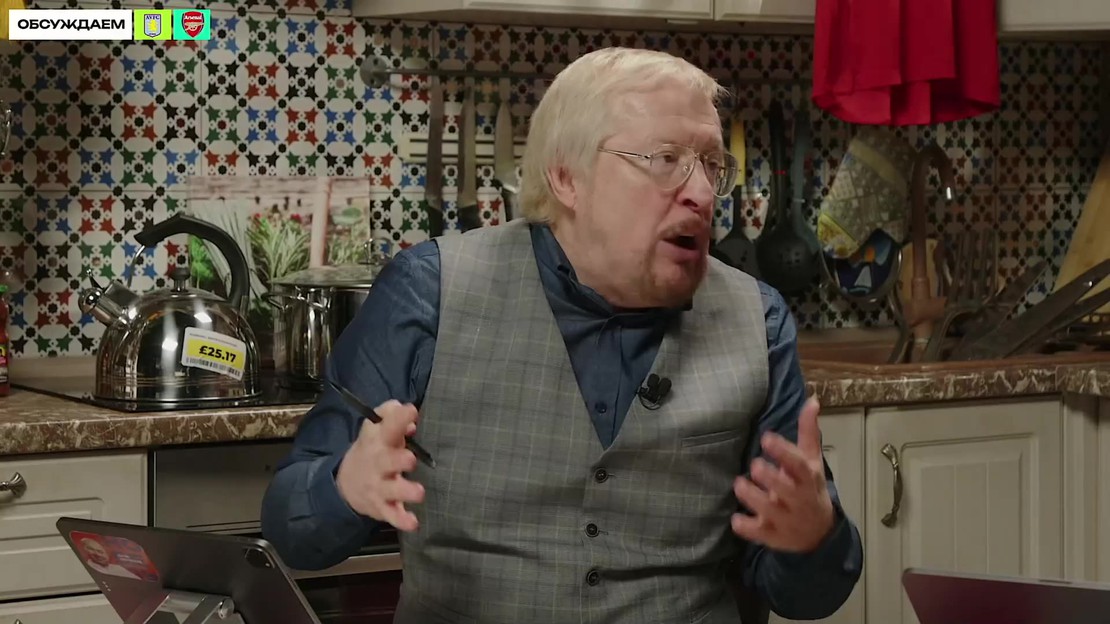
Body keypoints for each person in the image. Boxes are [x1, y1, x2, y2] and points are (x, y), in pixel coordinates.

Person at [261, 47, 863, 623]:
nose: (703, 193)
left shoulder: (758, 319)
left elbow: (810, 595)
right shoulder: (430, 291)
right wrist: (345, 489)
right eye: (665, 159)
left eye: (711, 165)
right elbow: (291, 530)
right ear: (567, 178)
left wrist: (813, 539)